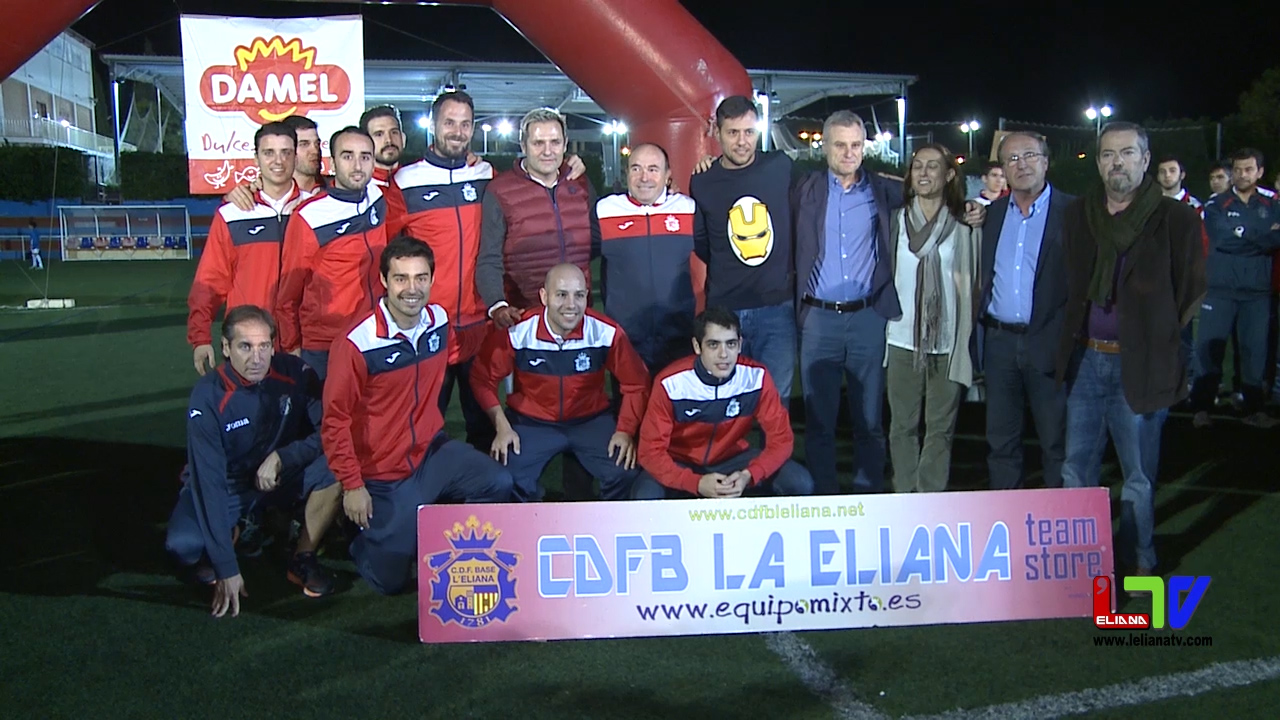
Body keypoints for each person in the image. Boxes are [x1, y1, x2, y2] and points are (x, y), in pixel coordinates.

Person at [793, 111, 986, 495]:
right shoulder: (803, 189)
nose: (848, 153)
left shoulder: (883, 191)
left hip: (869, 318)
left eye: (855, 145)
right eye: (839, 145)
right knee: (819, 422)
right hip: (818, 318)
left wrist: (975, 207)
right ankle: (824, 500)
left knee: (871, 421)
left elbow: (933, 196)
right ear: (824, 146)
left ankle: (869, 496)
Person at [1056, 121, 1205, 583]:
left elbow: (1190, 288)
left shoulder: (1176, 219)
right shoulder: (1079, 214)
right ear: (1098, 162)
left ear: (1145, 159)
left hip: (1140, 363)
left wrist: (1157, 335)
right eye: (1107, 154)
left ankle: (1139, 556)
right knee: (1076, 466)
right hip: (1084, 359)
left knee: (1137, 472)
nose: (1116, 162)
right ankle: (1080, 559)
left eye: (1126, 153)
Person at [323, 236, 513, 595]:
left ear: (431, 279)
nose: (412, 289)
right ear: (384, 280)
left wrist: (502, 323)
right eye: (401, 278)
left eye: (420, 278)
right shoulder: (357, 343)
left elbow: (459, 348)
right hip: (383, 472)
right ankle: (358, 534)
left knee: (498, 482)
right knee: (390, 582)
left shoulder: (437, 319)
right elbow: (335, 421)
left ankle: (439, 533)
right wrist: (352, 485)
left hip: (432, 452)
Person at [165, 305, 343, 617]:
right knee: (183, 546)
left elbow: (328, 433)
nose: (256, 358)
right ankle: (238, 525)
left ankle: (302, 556)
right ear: (226, 347)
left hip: (276, 476)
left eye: (264, 346)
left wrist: (283, 457)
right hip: (227, 486)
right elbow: (209, 484)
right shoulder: (207, 396)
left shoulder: (296, 373)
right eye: (245, 347)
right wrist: (226, 567)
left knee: (337, 465)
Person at [475, 106, 600, 500]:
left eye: (554, 142)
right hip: (526, 318)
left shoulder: (580, 183)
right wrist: (497, 304)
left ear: (565, 144)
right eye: (538, 142)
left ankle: (578, 502)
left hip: (579, 317)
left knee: (583, 402)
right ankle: (523, 501)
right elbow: (489, 256)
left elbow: (599, 238)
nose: (547, 150)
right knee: (528, 410)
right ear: (523, 145)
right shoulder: (501, 191)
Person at [471, 263, 650, 501]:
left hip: (590, 421)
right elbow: (482, 378)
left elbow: (636, 383)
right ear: (544, 296)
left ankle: (605, 521)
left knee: (624, 473)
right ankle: (532, 517)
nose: (571, 305)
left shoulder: (606, 332)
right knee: (507, 477)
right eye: (562, 295)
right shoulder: (517, 331)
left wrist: (625, 430)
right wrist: (502, 426)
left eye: (579, 295)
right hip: (532, 422)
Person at [384, 90, 494, 450]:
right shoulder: (406, 181)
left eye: (465, 124)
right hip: (428, 324)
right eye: (449, 122)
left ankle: (482, 484)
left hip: (480, 323)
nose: (457, 131)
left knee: (484, 427)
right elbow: (387, 251)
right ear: (433, 125)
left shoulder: (486, 175)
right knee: (422, 428)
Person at [633, 307, 814, 499]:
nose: (724, 354)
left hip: (733, 460)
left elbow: (782, 440)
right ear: (697, 346)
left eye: (731, 344)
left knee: (799, 482)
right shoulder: (670, 383)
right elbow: (650, 451)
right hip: (680, 461)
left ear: (740, 345)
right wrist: (695, 482)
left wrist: (749, 475)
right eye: (713, 345)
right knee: (645, 496)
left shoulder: (756, 377)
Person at [978, 131, 1074, 490]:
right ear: (1003, 169)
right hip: (1000, 343)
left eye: (1030, 156)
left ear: (1046, 162)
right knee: (1001, 442)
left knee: (1056, 442)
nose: (1022, 165)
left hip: (1049, 341)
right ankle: (1008, 514)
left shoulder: (1074, 212)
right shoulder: (992, 215)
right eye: (1012, 159)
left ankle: (1059, 515)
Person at [884, 144, 980, 493]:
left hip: (947, 340)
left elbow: (973, 283)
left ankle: (930, 497)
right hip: (901, 337)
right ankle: (906, 495)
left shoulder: (964, 223)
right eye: (917, 166)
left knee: (940, 428)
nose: (923, 173)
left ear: (949, 174)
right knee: (902, 426)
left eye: (933, 167)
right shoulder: (896, 220)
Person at [690, 95, 797, 398]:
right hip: (725, 310)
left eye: (749, 132)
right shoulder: (703, 181)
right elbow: (702, 243)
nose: (742, 141)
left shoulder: (780, 167)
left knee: (774, 403)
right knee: (725, 402)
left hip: (776, 310)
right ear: (717, 132)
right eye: (733, 132)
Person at [189, 122, 306, 375]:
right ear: (256, 158)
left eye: (286, 152)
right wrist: (200, 337)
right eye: (269, 152)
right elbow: (210, 281)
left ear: (296, 158)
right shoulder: (232, 213)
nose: (278, 161)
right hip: (248, 341)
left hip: (302, 343)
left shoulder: (315, 210)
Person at [276, 126, 388, 380]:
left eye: (365, 157)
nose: (357, 165)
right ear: (333, 163)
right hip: (325, 345)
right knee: (325, 408)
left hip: (372, 335)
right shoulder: (309, 216)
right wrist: (292, 346)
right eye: (347, 156)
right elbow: (288, 293)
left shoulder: (377, 197)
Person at [1190, 148, 1280, 428]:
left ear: (1259, 172)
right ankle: (1202, 409)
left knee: (1254, 353)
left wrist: (1243, 234)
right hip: (1220, 291)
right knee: (1209, 352)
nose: (1242, 175)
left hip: (1257, 293)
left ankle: (1254, 409)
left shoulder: (1272, 204)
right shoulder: (1217, 203)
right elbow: (1221, 239)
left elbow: (1276, 240)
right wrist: (1261, 238)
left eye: (1248, 169)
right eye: (1238, 170)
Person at [596, 142, 698, 373]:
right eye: (636, 168)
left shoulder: (687, 209)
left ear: (668, 175)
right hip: (626, 341)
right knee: (630, 397)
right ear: (627, 172)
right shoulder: (604, 211)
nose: (644, 177)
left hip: (678, 338)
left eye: (653, 169)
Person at [222, 115, 325, 212]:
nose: (315, 151)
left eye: (317, 144)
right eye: (304, 144)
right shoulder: (251, 196)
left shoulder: (331, 190)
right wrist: (232, 199)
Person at [360, 105, 404, 188]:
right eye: (379, 134)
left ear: (403, 138)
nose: (389, 140)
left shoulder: (419, 181)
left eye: (394, 132)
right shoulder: (357, 187)